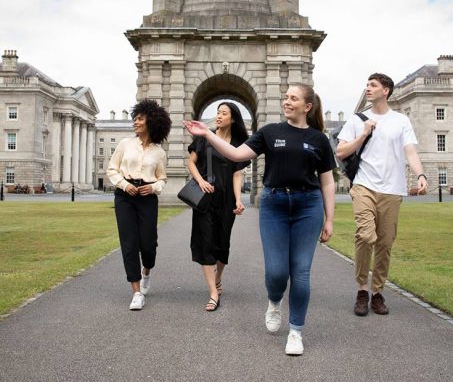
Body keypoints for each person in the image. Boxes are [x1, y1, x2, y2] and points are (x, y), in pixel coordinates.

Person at [184, 84, 335, 356]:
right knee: (277, 272)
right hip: (275, 204)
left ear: (307, 106)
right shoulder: (269, 132)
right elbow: (236, 154)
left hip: (308, 206)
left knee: (300, 272)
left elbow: (327, 181)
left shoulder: (318, 139)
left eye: (293, 98)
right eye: (286, 97)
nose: (286, 101)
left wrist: (330, 219)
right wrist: (206, 133)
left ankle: (296, 331)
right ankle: (274, 301)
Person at [336, 73, 427, 317]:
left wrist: (421, 175)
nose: (367, 88)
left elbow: (410, 152)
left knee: (385, 243)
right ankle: (361, 290)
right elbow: (341, 151)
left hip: (392, 190)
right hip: (364, 185)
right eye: (366, 84)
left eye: (373, 85)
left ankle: (377, 292)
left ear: (385, 90)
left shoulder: (401, 121)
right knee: (366, 236)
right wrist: (363, 133)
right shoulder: (357, 120)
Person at [107, 99, 171, 310]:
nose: (135, 122)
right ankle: (136, 292)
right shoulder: (125, 144)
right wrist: (124, 185)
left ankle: (146, 272)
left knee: (148, 244)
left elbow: (162, 178)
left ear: (151, 121)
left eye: (140, 118)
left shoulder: (159, 153)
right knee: (129, 243)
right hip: (125, 196)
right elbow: (112, 169)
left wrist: (152, 188)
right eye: (135, 118)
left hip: (147, 198)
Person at [187, 102, 249, 312]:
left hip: (226, 200)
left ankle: (218, 277)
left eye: (224, 113)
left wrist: (239, 199)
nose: (219, 116)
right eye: (218, 112)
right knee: (205, 243)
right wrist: (201, 181)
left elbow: (237, 173)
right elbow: (191, 162)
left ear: (233, 119)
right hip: (205, 198)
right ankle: (213, 292)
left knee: (222, 245)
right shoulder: (204, 136)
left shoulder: (239, 143)